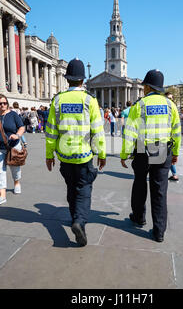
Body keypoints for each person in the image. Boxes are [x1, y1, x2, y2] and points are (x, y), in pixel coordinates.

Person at [46, 58, 106, 247]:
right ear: (82, 80)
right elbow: (97, 130)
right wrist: (101, 153)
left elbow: (51, 130)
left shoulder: (57, 100)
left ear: (67, 79)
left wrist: (49, 154)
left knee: (71, 188)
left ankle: (74, 217)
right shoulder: (90, 100)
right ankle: (79, 221)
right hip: (83, 155)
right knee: (84, 189)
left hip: (64, 155)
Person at [121, 69, 181, 243]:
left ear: (147, 86)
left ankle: (139, 217)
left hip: (142, 149)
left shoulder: (139, 105)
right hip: (163, 150)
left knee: (140, 184)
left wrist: (124, 154)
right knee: (160, 190)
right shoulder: (171, 106)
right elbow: (176, 131)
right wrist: (175, 152)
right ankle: (159, 230)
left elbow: (130, 133)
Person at [0, 94, 25, 206]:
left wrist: (17, 135)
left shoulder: (13, 115)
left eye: (5, 103)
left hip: (13, 147)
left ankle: (17, 182)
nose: (3, 105)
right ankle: (2, 195)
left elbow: (22, 127)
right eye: (0, 103)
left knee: (15, 167)